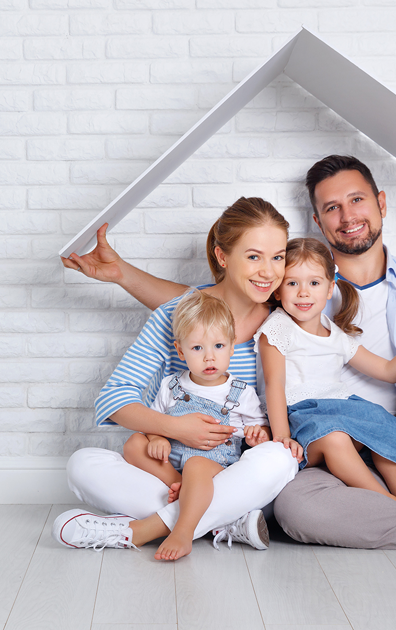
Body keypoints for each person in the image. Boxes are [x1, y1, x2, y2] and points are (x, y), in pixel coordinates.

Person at [58, 158, 396, 575]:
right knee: (290, 508)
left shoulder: (339, 300)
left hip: (365, 451)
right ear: (318, 223)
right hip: (293, 461)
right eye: (331, 208)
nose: (347, 216)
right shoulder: (248, 305)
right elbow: (202, 311)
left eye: (357, 201)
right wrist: (124, 276)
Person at [53, 198, 299, 553]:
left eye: (278, 257)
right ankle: (222, 520)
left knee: (278, 459)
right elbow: (115, 397)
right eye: (253, 256)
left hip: (238, 473)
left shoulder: (282, 322)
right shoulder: (178, 314)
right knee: (83, 464)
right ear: (222, 256)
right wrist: (177, 429)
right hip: (174, 471)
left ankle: (146, 528)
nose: (269, 271)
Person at [255, 237, 396, 511]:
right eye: (293, 283)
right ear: (278, 291)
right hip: (298, 417)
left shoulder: (335, 334)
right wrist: (282, 437)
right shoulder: (278, 327)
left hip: (339, 407)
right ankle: (394, 506)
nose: (303, 292)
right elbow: (274, 384)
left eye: (314, 283)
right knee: (335, 439)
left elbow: (388, 371)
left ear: (330, 289)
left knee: (388, 426)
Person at [123, 290, 273, 560]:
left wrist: (256, 435)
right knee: (134, 444)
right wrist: (156, 438)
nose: (209, 358)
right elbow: (154, 422)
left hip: (213, 465)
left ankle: (183, 530)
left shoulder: (241, 392)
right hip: (175, 464)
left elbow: (261, 429)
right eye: (197, 348)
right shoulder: (172, 385)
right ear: (180, 350)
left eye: (218, 346)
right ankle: (183, 488)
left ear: (231, 345)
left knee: (197, 465)